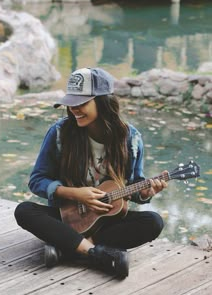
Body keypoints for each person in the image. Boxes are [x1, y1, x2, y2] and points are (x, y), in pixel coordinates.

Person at [14, 67, 167, 279]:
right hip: (66, 218)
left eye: (82, 103)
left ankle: (68, 247)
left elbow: (134, 186)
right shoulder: (60, 133)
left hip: (106, 221)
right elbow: (37, 181)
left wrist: (146, 193)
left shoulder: (130, 139)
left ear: (103, 102)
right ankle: (96, 253)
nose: (74, 109)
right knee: (24, 211)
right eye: (71, 103)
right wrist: (74, 194)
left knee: (153, 222)